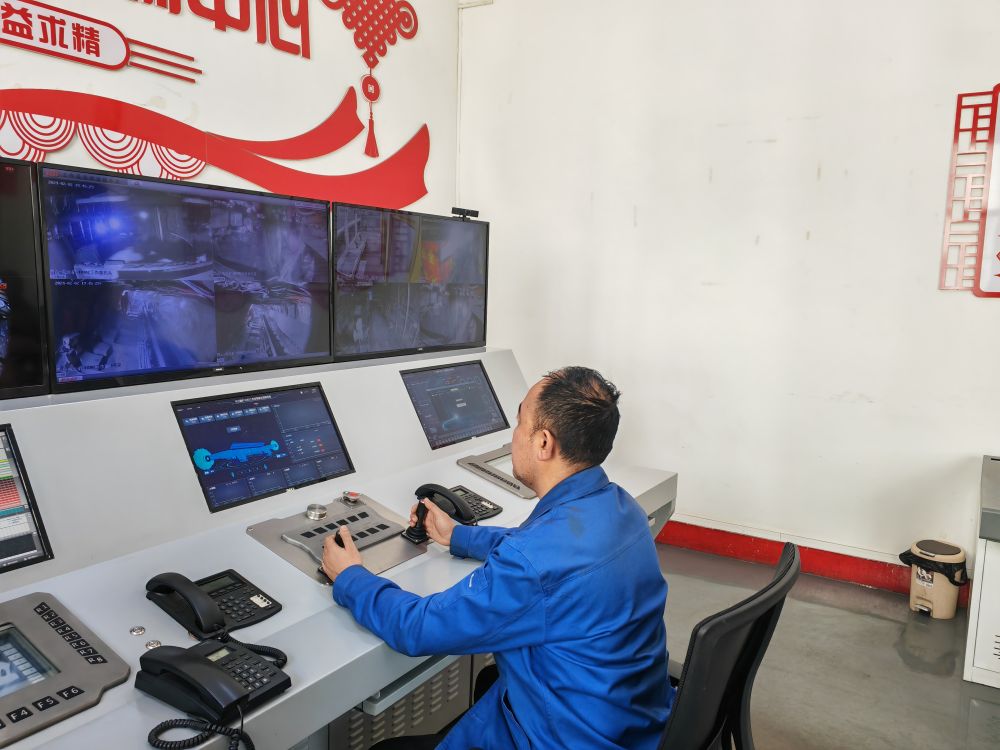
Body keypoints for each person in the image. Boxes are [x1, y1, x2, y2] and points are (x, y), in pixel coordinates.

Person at [322, 366, 673, 749]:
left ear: (543, 443)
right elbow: (547, 550)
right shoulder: (621, 507)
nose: (513, 436)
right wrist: (459, 536)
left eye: (519, 422)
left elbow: (418, 628)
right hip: (635, 725)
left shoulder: (532, 562)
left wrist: (350, 576)